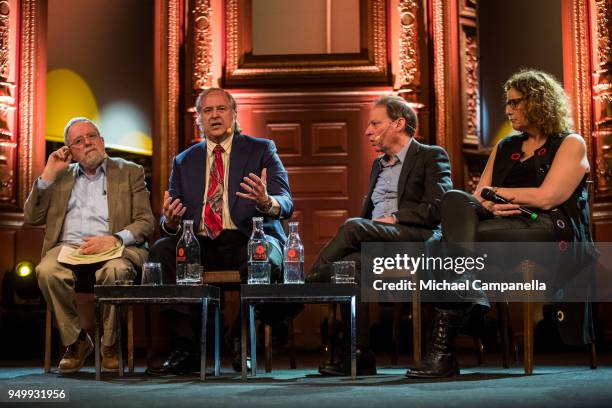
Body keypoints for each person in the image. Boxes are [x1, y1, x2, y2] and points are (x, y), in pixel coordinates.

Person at [410, 68, 597, 378]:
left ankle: (448, 343)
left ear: (540, 102)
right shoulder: (505, 147)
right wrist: (493, 206)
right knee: (455, 200)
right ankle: (447, 341)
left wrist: (497, 196)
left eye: (515, 103)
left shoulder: (570, 143)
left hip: (548, 231)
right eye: (507, 103)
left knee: (439, 248)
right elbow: (477, 199)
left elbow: (548, 197)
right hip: (495, 229)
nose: (508, 110)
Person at [148, 87, 297, 374]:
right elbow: (171, 219)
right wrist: (170, 222)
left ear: (233, 114)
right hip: (202, 241)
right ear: (199, 121)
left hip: (249, 236)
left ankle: (241, 337)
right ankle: (187, 346)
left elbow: (286, 202)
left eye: (221, 109)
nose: (215, 115)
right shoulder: (184, 161)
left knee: (262, 254)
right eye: (207, 110)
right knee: (160, 251)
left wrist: (267, 201)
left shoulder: (261, 149)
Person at [307, 95, 453, 375]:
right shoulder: (378, 165)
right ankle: (360, 354)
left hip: (416, 239)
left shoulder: (431, 155)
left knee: (353, 226)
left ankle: (305, 285)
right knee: (346, 267)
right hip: (380, 241)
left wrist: (394, 218)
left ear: (398, 123)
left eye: (375, 123)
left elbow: (438, 206)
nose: (367, 131)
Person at [23, 117, 155, 374]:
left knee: (115, 271)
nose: (88, 143)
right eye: (78, 141)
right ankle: (77, 342)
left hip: (114, 249)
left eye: (92, 136)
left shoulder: (129, 171)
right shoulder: (59, 177)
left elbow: (145, 222)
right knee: (46, 270)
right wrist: (48, 174)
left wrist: (114, 239)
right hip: (68, 249)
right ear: (69, 151)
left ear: (102, 141)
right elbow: (31, 218)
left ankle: (109, 345)